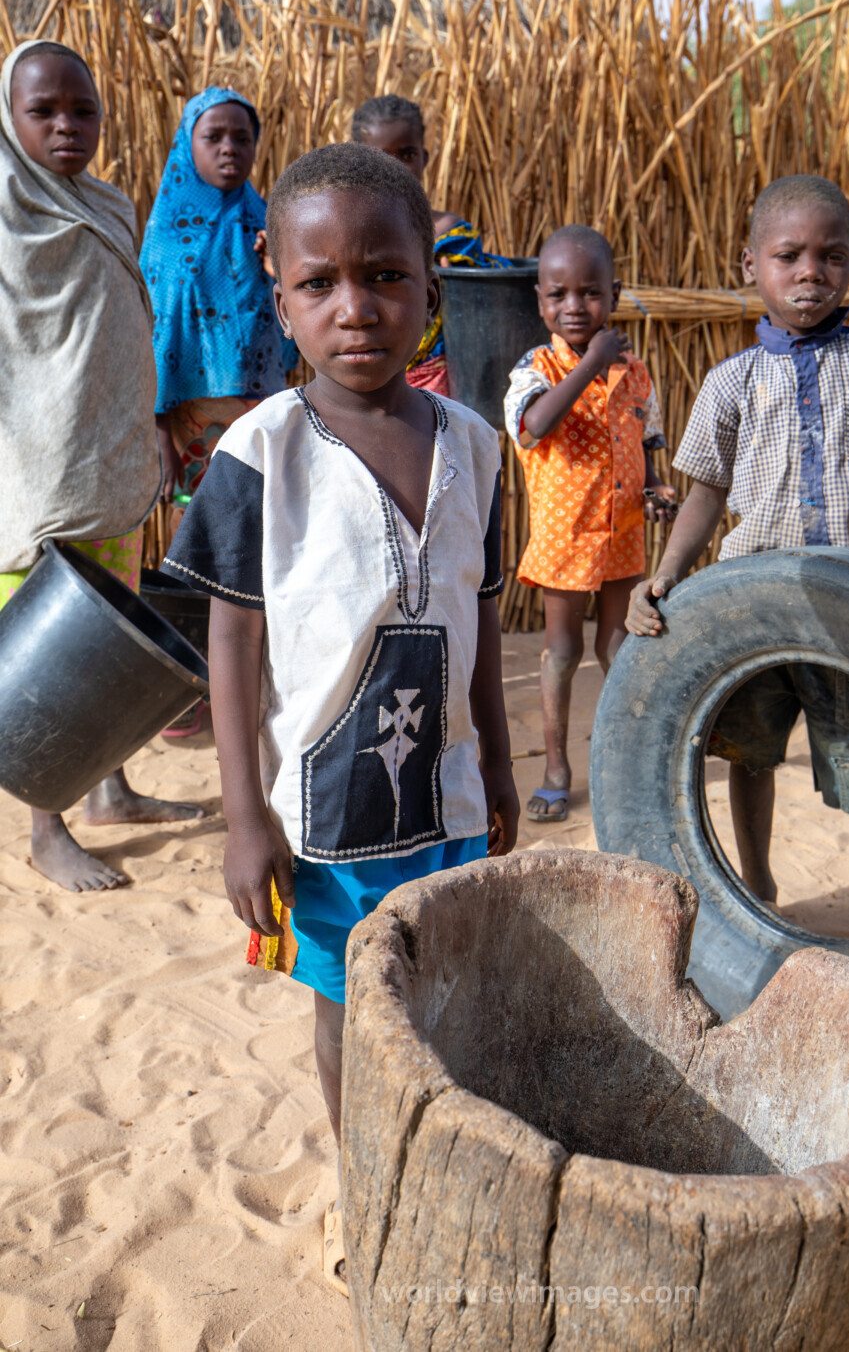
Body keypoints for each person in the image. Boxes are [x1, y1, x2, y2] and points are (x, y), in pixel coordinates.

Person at [162, 141, 519, 1291]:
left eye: (384, 276)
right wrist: (241, 817)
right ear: (280, 298)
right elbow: (233, 637)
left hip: (449, 794)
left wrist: (502, 769)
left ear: (431, 287)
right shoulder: (258, 453)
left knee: (443, 987)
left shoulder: (473, 447)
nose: (353, 307)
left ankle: (440, 1163)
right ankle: (367, 1180)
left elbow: (477, 627)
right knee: (343, 999)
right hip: (320, 815)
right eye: (319, 285)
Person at [626, 175, 849, 926]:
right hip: (753, 604)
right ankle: (762, 884)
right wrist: (666, 573)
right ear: (750, 266)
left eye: (832, 256)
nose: (811, 273)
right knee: (748, 749)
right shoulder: (730, 381)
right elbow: (703, 492)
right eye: (789, 256)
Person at [0, 39, 204, 892]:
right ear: (10, 121)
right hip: (34, 470)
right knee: (53, 656)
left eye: (83, 111)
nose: (66, 127)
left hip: (108, 465)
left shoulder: (111, 206)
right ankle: (48, 824)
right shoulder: (5, 213)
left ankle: (110, 791)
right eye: (43, 112)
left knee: (113, 640)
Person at [504, 225, 676, 823]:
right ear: (540, 299)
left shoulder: (637, 373)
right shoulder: (536, 368)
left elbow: (646, 443)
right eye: (558, 295)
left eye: (589, 293)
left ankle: (627, 760)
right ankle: (556, 768)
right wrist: (592, 362)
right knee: (561, 650)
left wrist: (657, 490)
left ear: (614, 293)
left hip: (623, 534)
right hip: (565, 538)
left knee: (617, 646)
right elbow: (534, 427)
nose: (574, 307)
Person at [141, 87, 298, 506]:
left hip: (263, 404)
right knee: (197, 515)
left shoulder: (269, 224)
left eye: (242, 138)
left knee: (259, 515)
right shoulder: (167, 238)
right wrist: (159, 435)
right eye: (213, 137)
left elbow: (297, 315)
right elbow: (157, 333)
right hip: (190, 412)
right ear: (187, 145)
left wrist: (279, 264)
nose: (229, 149)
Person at [350, 93, 511, 396]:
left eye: (407, 155)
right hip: (364, 373)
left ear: (425, 157)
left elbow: (478, 313)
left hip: (440, 382)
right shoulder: (345, 235)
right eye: (382, 156)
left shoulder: (451, 235)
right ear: (359, 160)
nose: (397, 167)